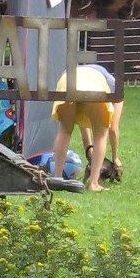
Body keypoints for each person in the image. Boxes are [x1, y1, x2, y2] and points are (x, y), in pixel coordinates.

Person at [50, 63, 124, 192]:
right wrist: (115, 158)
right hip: (94, 85)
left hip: (67, 78)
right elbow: (113, 128)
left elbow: (83, 126)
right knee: (101, 134)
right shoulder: (117, 88)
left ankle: (57, 178)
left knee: (65, 131)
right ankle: (93, 183)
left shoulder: (89, 71)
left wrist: (88, 148)